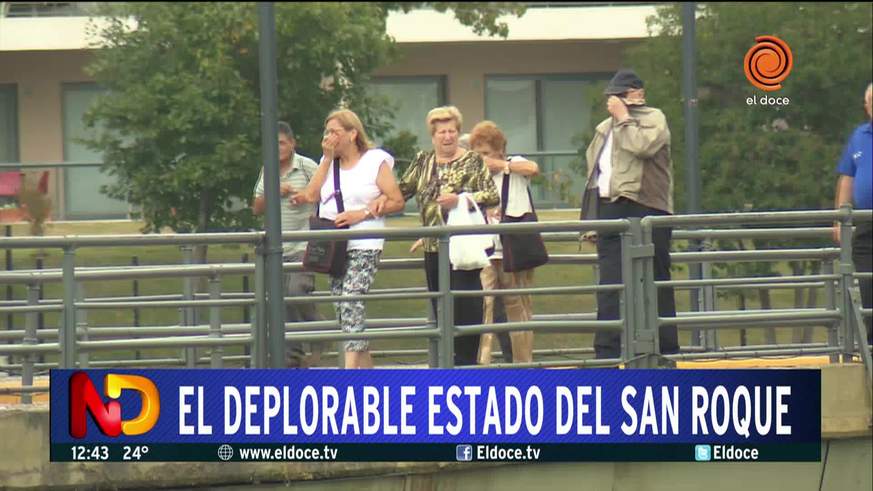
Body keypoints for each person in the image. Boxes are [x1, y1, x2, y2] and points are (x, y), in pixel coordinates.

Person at [291, 109, 405, 368]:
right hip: (334, 245)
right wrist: (327, 159)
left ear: (353, 134)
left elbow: (396, 200)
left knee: (351, 299)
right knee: (345, 313)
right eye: (327, 132)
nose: (329, 137)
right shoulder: (328, 163)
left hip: (365, 242)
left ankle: (349, 373)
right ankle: (366, 374)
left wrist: (362, 213)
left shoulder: (374, 160)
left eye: (335, 132)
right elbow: (311, 195)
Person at [579, 69, 679, 359]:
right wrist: (591, 220)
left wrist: (624, 118)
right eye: (614, 97)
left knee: (655, 279)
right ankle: (606, 356)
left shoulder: (653, 119)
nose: (615, 102)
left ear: (637, 94)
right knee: (610, 283)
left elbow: (643, 147)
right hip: (612, 207)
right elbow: (594, 174)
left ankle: (665, 353)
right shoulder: (603, 129)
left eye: (621, 95)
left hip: (648, 206)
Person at [393, 106, 500, 366]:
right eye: (442, 131)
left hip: (462, 247)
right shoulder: (423, 161)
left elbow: (492, 195)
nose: (447, 136)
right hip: (433, 248)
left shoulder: (473, 160)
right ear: (433, 134)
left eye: (452, 130)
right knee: (442, 311)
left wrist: (461, 199)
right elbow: (400, 192)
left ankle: (466, 366)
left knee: (467, 309)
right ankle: (445, 366)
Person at [251, 121, 324, 368]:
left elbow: (325, 195)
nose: (278, 148)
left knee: (295, 293)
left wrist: (305, 196)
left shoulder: (307, 166)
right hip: (275, 250)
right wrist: (274, 191)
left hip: (303, 245)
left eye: (282, 142)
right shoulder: (267, 170)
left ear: (292, 143)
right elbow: (256, 208)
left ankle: (318, 332)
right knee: (280, 303)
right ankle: (292, 358)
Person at [469, 121, 541, 364]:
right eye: (478, 154)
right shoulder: (473, 175)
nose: (483, 159)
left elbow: (533, 168)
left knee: (518, 308)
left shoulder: (515, 165)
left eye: (486, 153)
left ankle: (523, 365)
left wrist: (501, 165)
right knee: (484, 308)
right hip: (485, 252)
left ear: (499, 150)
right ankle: (482, 364)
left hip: (514, 249)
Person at [834, 83, 872, 345]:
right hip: (865, 223)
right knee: (868, 288)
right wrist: (839, 217)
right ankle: (870, 347)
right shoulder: (858, 135)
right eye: (870, 102)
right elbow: (847, 177)